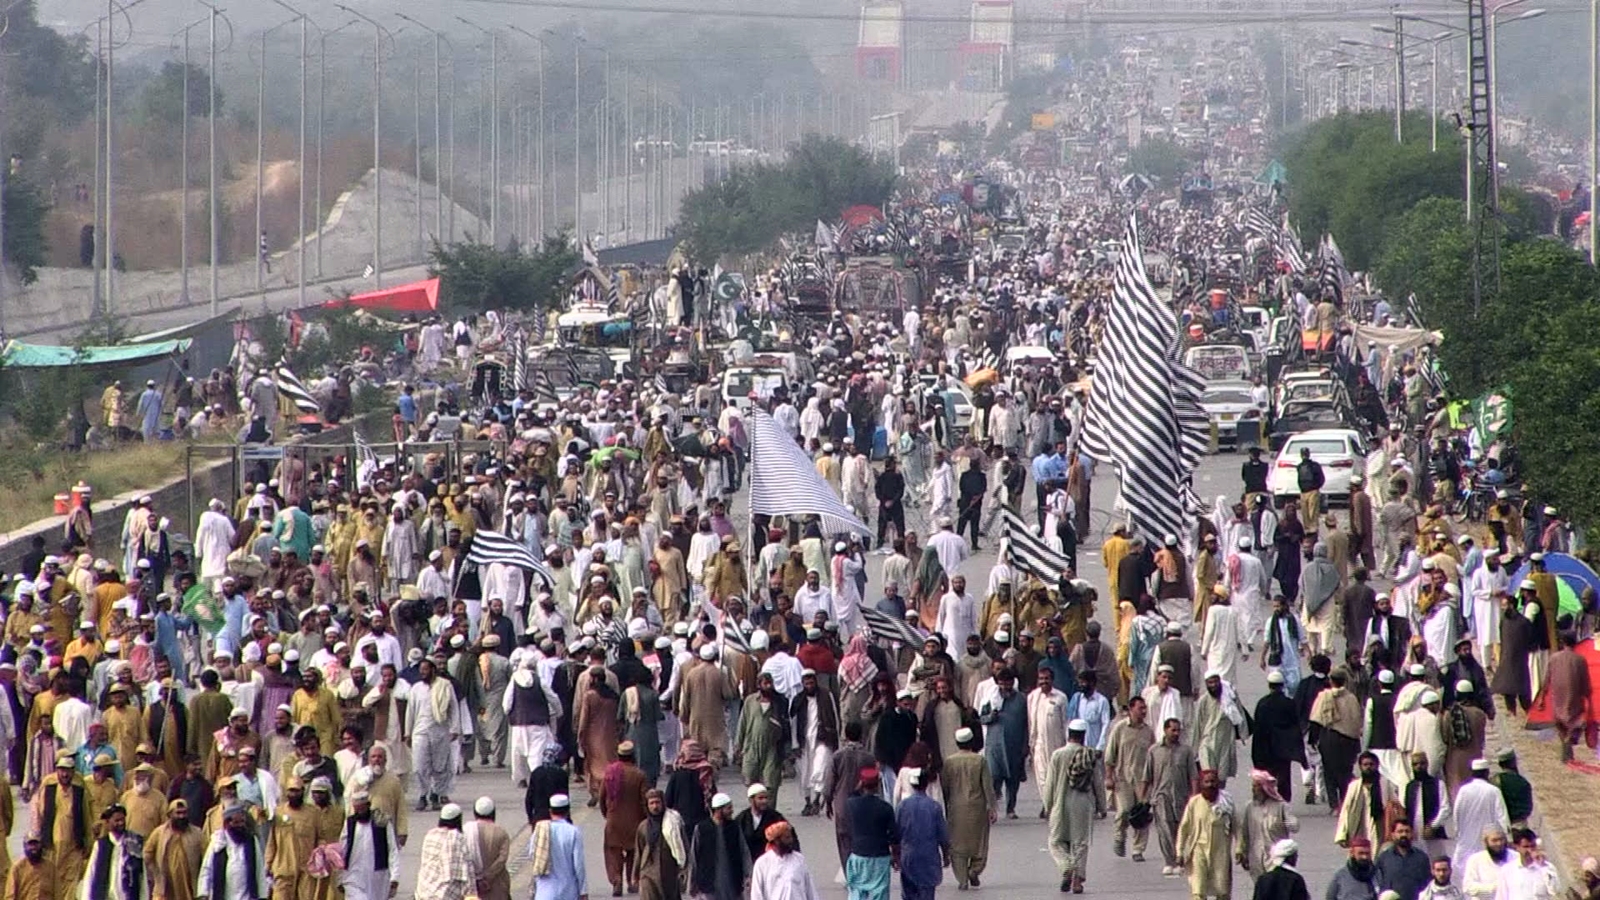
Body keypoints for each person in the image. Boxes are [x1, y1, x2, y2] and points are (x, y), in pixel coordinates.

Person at [1043, 718, 1105, 894]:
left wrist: (1047, 806)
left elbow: (1050, 783)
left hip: (1060, 803)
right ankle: (1077, 881)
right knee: (1080, 843)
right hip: (1083, 805)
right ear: (1083, 736)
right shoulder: (1089, 755)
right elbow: (1097, 783)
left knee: (1056, 841)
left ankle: (1066, 866)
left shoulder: (1057, 755)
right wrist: (1102, 806)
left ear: (1068, 734)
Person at [939, 727, 991, 888]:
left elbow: (945, 787)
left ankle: (962, 879)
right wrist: (992, 807)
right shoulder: (979, 760)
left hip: (955, 807)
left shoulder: (949, 762)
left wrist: (946, 807)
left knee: (957, 844)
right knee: (980, 842)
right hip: (977, 806)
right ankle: (974, 870)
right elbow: (987, 786)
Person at [1105, 695, 1155, 860]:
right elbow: (1110, 754)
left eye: (1144, 708)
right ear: (1131, 709)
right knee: (1125, 810)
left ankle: (1138, 849)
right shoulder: (1120, 729)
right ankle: (1120, 835)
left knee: (1141, 814)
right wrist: (1109, 777)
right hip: (1123, 777)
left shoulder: (1148, 731)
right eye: (1140, 708)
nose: (1143, 711)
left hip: (1143, 779)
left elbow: (1153, 754)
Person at [1177, 769, 1237, 900]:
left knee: (1222, 889)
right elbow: (1184, 828)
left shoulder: (1226, 802)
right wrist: (1179, 852)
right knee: (1198, 889)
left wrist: (1240, 849)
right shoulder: (1194, 803)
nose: (1210, 784)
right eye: (1207, 782)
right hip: (1199, 849)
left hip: (1221, 852)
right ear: (1201, 784)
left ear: (1218, 783)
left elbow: (1237, 827)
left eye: (1213, 781)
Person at [600, 743, 650, 896]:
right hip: (635, 822)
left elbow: (602, 798)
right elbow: (644, 800)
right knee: (633, 852)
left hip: (614, 821)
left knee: (613, 852)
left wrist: (607, 814)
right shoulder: (639, 775)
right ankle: (632, 881)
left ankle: (617, 881)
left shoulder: (610, 773)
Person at [842, 767, 897, 900]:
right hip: (880, 856)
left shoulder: (851, 804)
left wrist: (858, 786)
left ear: (861, 783)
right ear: (878, 784)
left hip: (858, 854)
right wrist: (896, 856)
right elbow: (894, 836)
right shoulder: (886, 808)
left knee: (857, 891)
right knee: (880, 893)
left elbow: (852, 795)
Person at [895, 768, 950, 900]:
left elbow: (896, 833)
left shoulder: (902, 806)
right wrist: (946, 855)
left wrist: (895, 856)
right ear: (926, 784)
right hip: (928, 858)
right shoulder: (934, 807)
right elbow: (943, 835)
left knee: (908, 893)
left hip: (908, 856)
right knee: (926, 893)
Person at [195, 804, 270, 900]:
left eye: (242, 822)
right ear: (227, 823)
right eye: (236, 822)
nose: (240, 826)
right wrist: (203, 893)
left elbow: (259, 869)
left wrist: (263, 895)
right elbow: (207, 868)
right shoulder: (218, 842)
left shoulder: (251, 840)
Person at [1450, 760, 1510, 880]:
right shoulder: (1493, 791)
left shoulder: (1463, 791)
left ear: (1472, 773)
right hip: (1488, 845)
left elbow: (1456, 816)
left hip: (1466, 844)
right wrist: (1507, 840)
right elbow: (1503, 818)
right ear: (1487, 773)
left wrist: (1458, 834)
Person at [1237, 770, 1297, 880]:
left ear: (1264, 788)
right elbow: (1244, 832)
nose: (1253, 790)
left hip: (1276, 858)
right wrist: (1242, 852)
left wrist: (1286, 820)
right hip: (1256, 857)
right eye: (1253, 786)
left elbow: (1294, 827)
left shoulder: (1281, 806)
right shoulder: (1249, 807)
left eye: (1256, 787)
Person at [341, 790, 400, 900]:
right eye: (356, 809)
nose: (359, 812)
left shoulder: (381, 822)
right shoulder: (350, 823)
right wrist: (339, 877)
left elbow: (392, 849)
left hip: (378, 877)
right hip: (353, 875)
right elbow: (343, 849)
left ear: (368, 806)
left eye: (362, 809)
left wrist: (395, 877)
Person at [687, 794, 747, 900]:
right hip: (708, 884)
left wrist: (748, 875)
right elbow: (694, 857)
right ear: (718, 810)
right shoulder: (701, 828)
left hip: (733, 882)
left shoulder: (734, 827)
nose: (732, 811)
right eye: (728, 808)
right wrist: (691, 883)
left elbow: (744, 852)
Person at [144, 799, 205, 900]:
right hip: (164, 888)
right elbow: (147, 854)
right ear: (170, 814)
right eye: (178, 813)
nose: (182, 816)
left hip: (189, 887)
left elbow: (206, 857)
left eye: (184, 813)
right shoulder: (159, 833)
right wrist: (154, 873)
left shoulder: (197, 833)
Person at [528, 794, 585, 900]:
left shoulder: (540, 829)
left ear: (550, 811)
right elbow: (579, 865)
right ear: (567, 811)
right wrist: (583, 890)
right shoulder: (573, 832)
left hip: (544, 892)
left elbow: (532, 854)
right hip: (568, 892)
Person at [78, 805, 142, 900]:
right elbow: (91, 874)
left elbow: (141, 875)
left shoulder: (134, 842)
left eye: (122, 820)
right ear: (108, 822)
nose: (121, 823)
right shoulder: (100, 845)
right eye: (116, 820)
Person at [634, 790, 685, 900]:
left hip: (669, 872)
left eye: (657, 802)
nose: (655, 806)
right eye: (651, 803)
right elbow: (639, 851)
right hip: (648, 873)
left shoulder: (672, 824)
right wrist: (635, 874)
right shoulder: (643, 827)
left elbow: (682, 846)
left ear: (663, 803)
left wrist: (684, 870)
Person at [749, 822, 819, 900]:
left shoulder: (799, 859)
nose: (791, 840)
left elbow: (810, 890)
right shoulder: (762, 863)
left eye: (790, 837)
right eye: (787, 837)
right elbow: (756, 894)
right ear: (776, 840)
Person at [1494, 827, 1559, 899]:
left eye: (1533, 846)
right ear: (1517, 847)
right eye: (1526, 847)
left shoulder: (1548, 867)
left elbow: (1554, 891)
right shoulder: (1507, 870)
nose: (1530, 850)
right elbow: (1501, 896)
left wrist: (1543, 867)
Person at [1374, 820, 1433, 900]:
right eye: (1400, 831)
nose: (1404, 834)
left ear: (1412, 833)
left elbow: (1428, 885)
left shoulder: (1422, 858)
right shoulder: (1384, 858)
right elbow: (1378, 883)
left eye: (1407, 831)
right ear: (1393, 834)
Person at [734, 785, 786, 864]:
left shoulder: (775, 817)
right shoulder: (742, 819)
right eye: (760, 798)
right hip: (749, 864)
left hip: (771, 863)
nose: (764, 801)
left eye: (766, 798)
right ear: (751, 800)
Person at [1462, 826, 1516, 900]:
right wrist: (1494, 888)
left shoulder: (1515, 857)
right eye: (1494, 840)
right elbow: (1468, 887)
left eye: (1501, 839)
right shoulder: (1475, 860)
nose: (1499, 844)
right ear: (1486, 842)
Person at [5, 834, 55, 900]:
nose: (33, 847)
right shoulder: (17, 868)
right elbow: (10, 896)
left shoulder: (51, 867)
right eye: (30, 845)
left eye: (36, 844)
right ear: (24, 846)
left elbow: (57, 893)